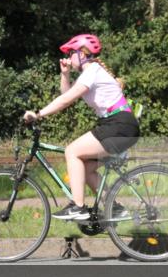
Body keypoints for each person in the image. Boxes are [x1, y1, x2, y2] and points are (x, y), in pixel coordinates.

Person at [22, 33, 140, 220]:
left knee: (72, 151)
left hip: (118, 125)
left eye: (71, 53)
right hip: (119, 125)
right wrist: (64, 74)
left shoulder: (92, 71)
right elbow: (67, 94)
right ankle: (115, 208)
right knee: (84, 169)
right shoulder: (90, 73)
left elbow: (65, 100)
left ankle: (78, 207)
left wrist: (38, 114)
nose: (69, 57)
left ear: (82, 54)